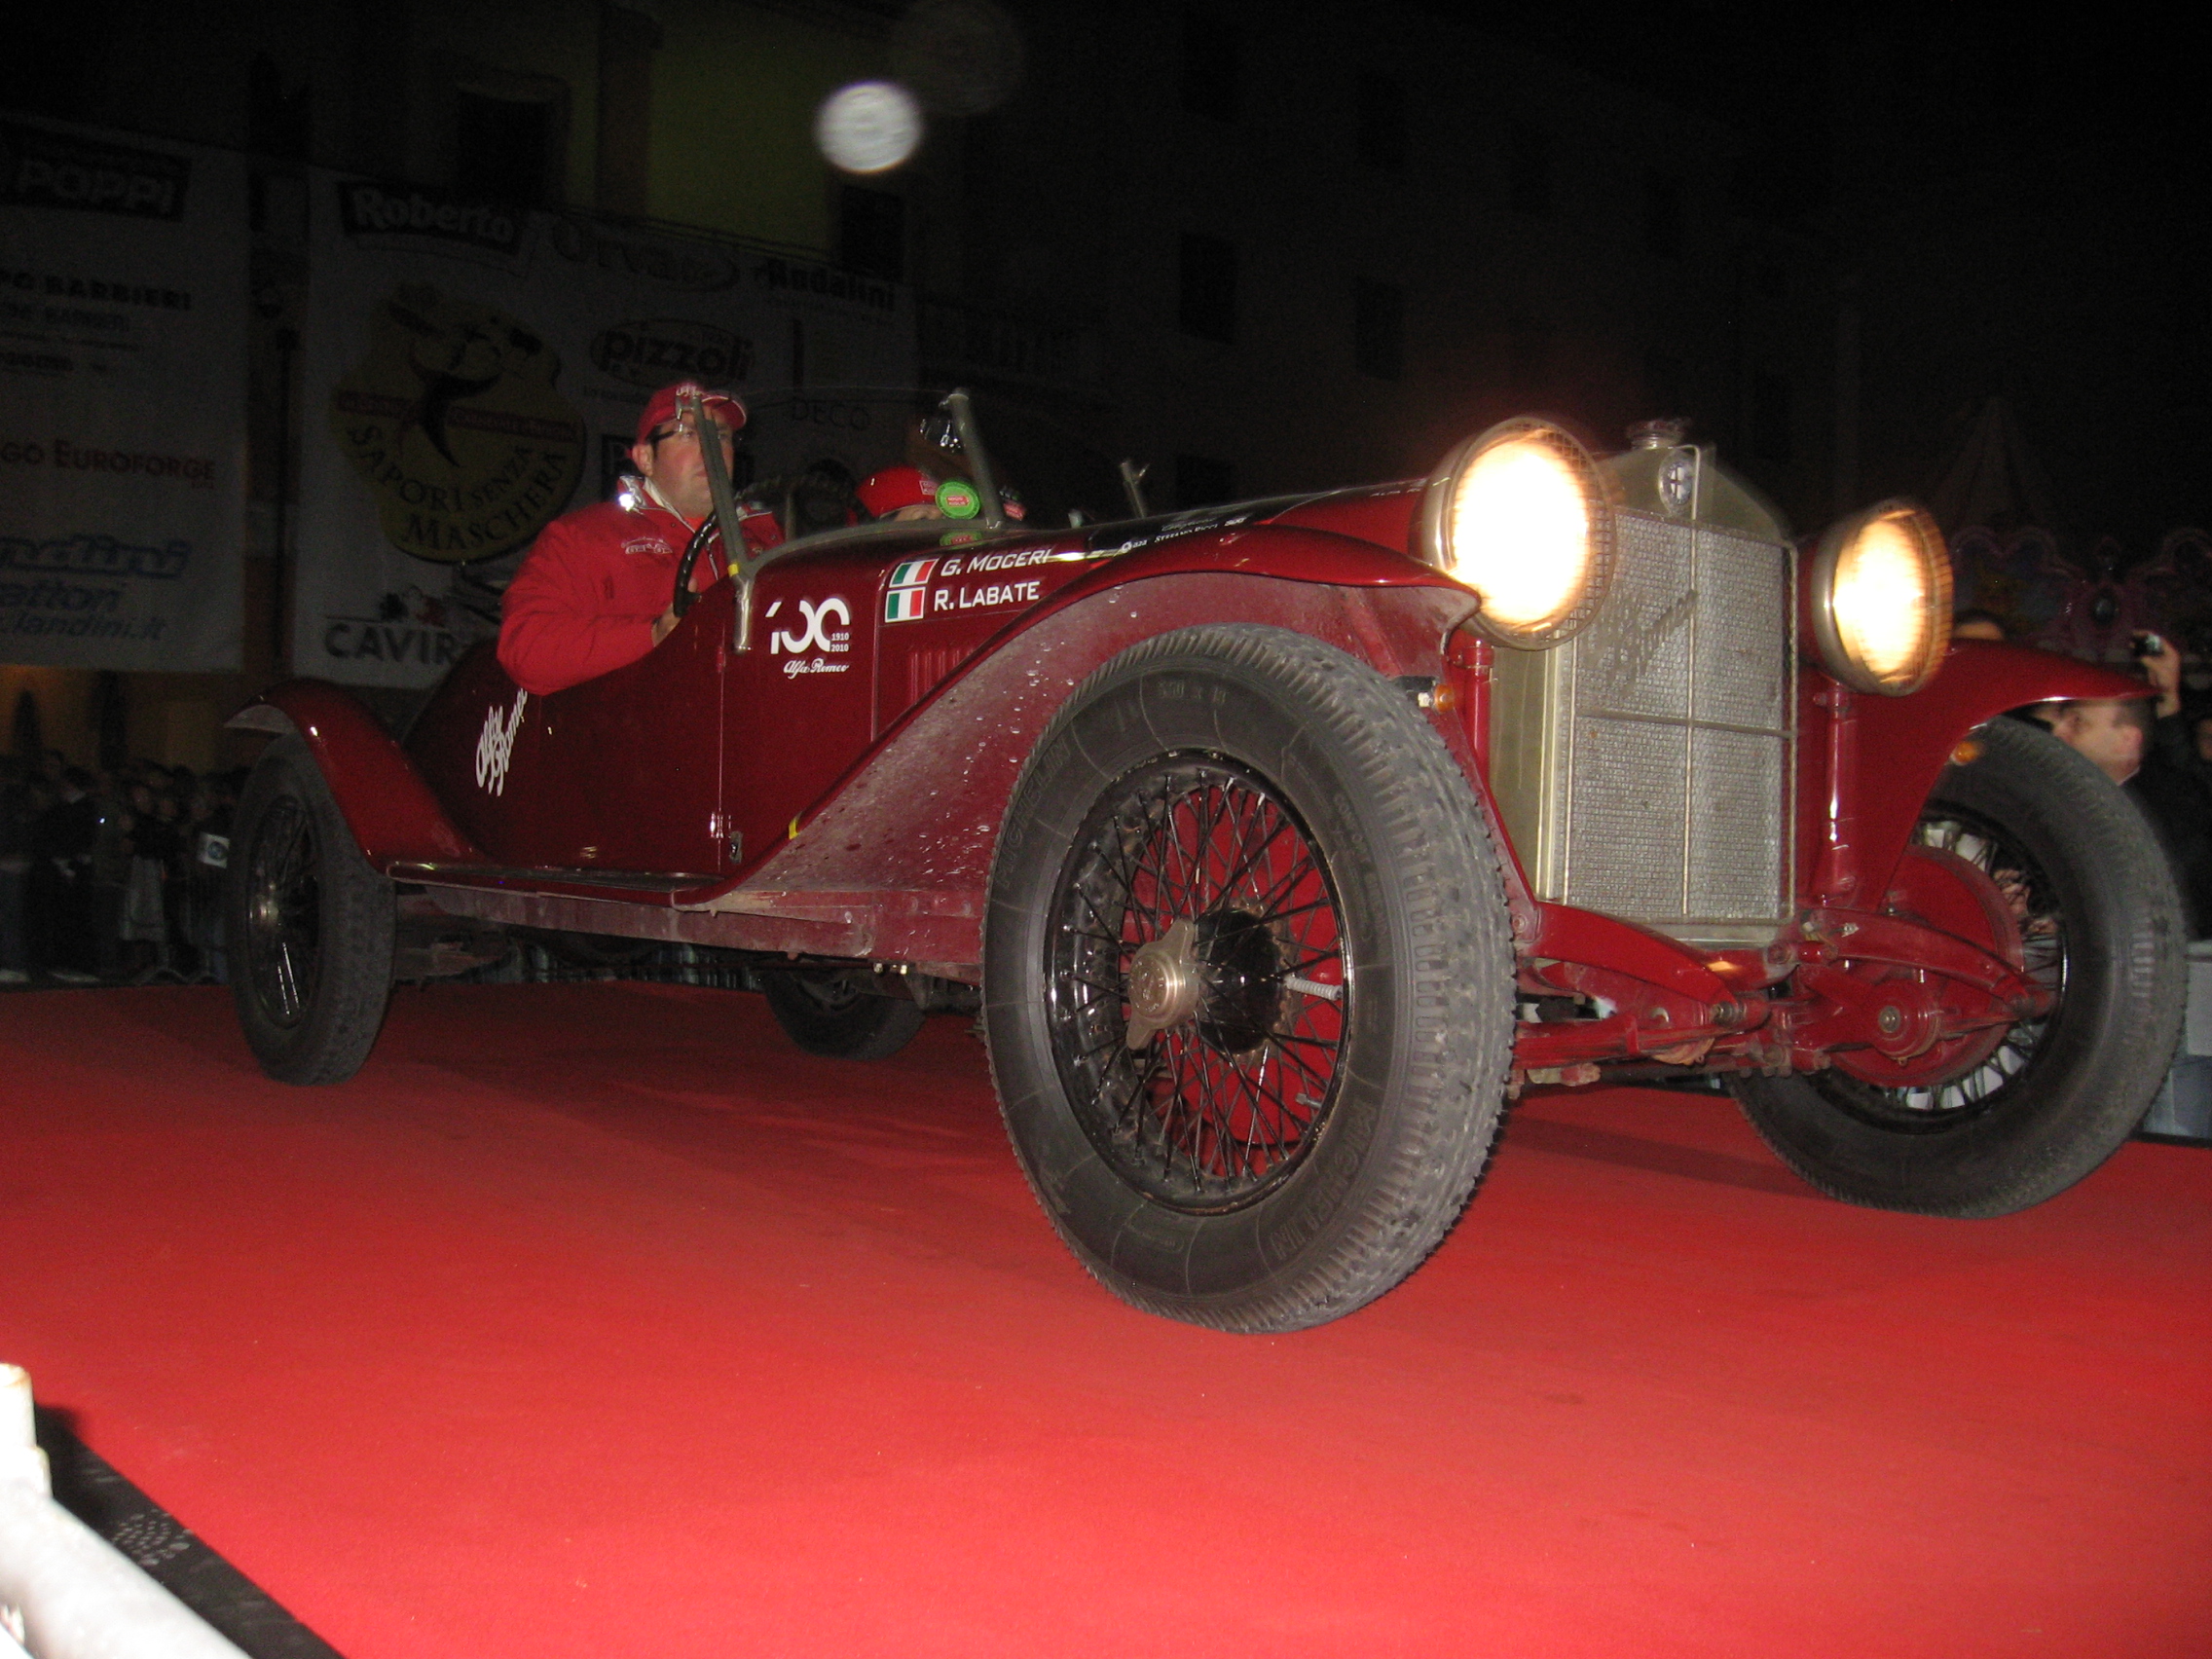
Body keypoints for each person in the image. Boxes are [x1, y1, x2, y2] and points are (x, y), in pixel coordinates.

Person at [498, 382, 751, 696]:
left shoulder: (768, 541)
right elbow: (526, 648)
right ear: (645, 458)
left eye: (720, 435)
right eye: (687, 434)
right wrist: (652, 635)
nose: (710, 448)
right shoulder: (584, 537)